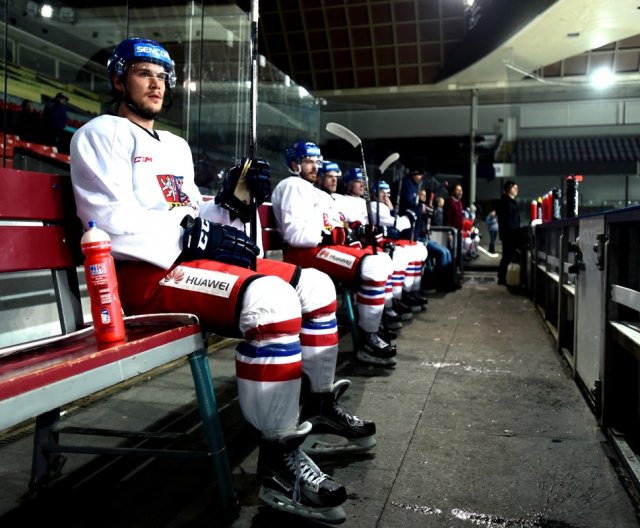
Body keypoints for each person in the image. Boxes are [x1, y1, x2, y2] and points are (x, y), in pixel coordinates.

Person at [69, 38, 375, 524]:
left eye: (163, 76)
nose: (156, 83)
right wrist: (195, 233)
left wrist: (229, 202)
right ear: (118, 80)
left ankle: (314, 407)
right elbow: (110, 221)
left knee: (314, 287)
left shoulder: (175, 145)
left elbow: (193, 216)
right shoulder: (100, 134)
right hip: (145, 278)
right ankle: (277, 462)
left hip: (185, 265)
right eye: (144, 72)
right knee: (272, 301)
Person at [270, 141, 397, 368]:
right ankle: (367, 338)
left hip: (320, 250)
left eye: (317, 162)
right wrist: (330, 235)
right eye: (309, 161)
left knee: (380, 260)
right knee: (373, 267)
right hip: (303, 254)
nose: (315, 166)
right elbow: (297, 235)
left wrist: (357, 233)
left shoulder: (314, 191)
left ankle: (370, 329)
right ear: (294, 164)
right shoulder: (292, 185)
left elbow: (335, 226)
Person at [497, 180, 521, 285]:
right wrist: (513, 234)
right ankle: (501, 278)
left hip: (511, 234)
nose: (516, 190)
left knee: (507, 256)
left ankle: (502, 278)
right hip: (509, 235)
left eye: (517, 188)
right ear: (508, 190)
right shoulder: (506, 202)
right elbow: (507, 220)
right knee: (507, 256)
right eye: (514, 188)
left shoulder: (509, 201)